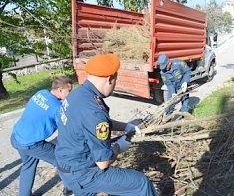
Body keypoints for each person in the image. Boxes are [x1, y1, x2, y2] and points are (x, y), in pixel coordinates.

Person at [55, 54, 158, 196]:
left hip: (65, 165)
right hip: (83, 172)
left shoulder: (78, 94)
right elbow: (103, 163)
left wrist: (126, 126)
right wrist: (120, 146)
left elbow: (92, 123)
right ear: (110, 78)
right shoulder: (94, 111)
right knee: (140, 183)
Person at [10, 75, 73, 196]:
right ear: (60, 90)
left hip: (16, 137)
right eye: (68, 91)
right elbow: (67, 129)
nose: (70, 94)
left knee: (29, 164)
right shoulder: (57, 108)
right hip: (31, 144)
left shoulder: (41, 93)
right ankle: (70, 188)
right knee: (63, 160)